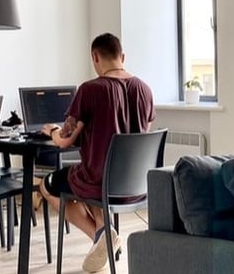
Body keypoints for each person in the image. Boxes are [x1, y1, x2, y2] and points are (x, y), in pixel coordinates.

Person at [39, 33, 155, 273]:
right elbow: (142, 136)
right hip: (136, 185)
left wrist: (51, 131)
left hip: (98, 182)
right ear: (122, 57)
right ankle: (105, 234)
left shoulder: (90, 90)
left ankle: (102, 234)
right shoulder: (145, 89)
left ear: (95, 57)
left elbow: (64, 140)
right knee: (84, 178)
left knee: (48, 186)